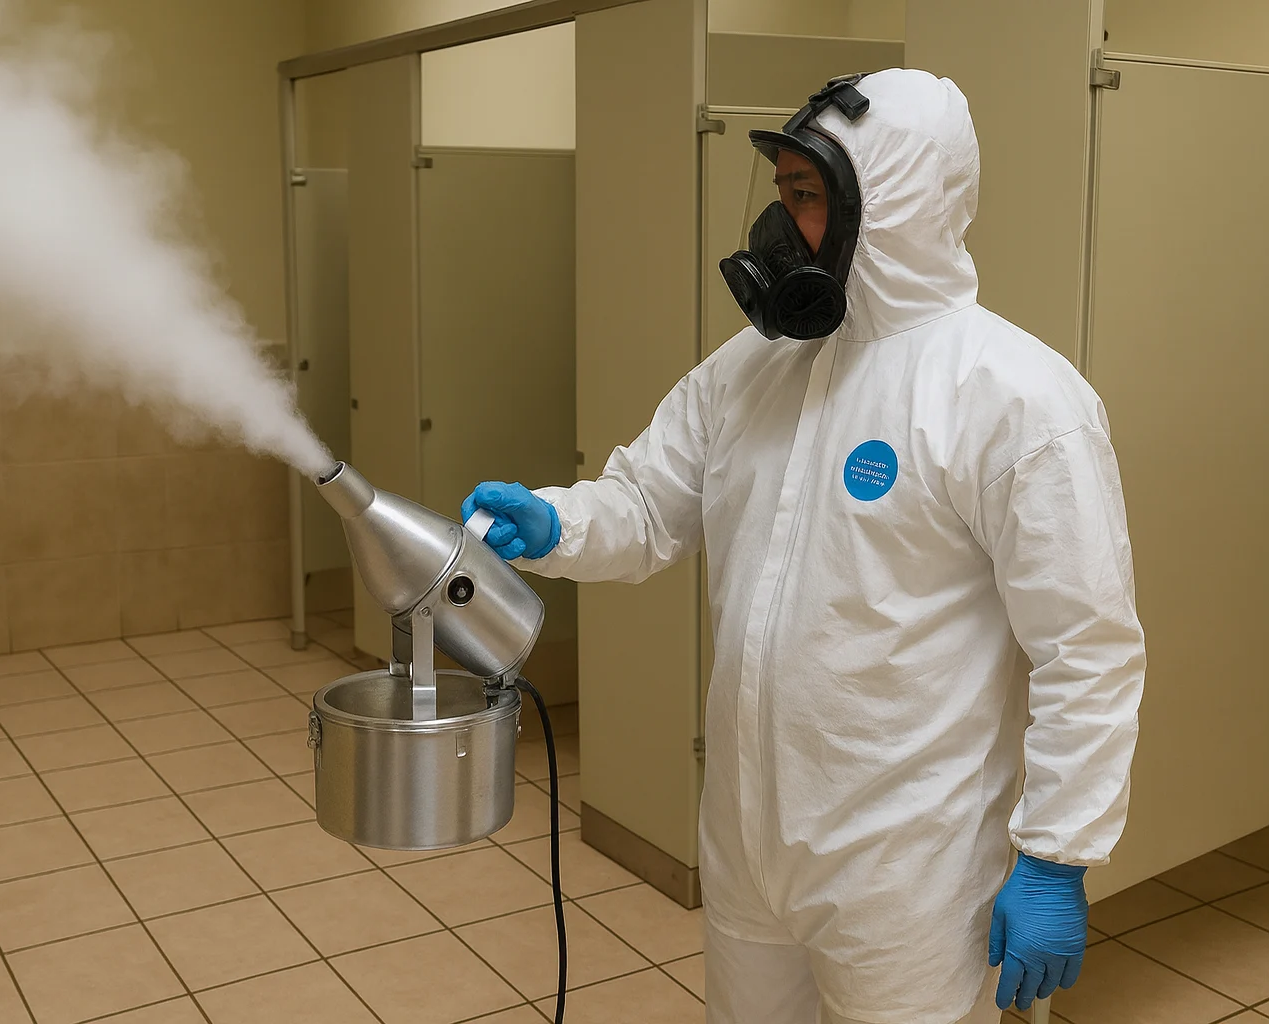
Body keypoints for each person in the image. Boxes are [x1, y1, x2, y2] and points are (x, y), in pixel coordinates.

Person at [463, 68, 1146, 1024]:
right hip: (748, 840)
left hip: (908, 866)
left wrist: (1056, 855)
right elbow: (650, 505)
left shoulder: (1015, 398)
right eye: (783, 193)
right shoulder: (753, 368)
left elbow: (1087, 650)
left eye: (811, 196)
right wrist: (559, 522)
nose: (781, 228)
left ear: (895, 205)